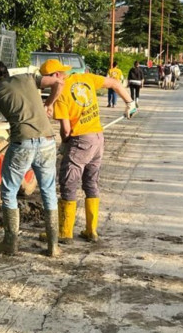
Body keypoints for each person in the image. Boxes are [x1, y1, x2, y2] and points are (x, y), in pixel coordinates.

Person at [0, 60, 64, 257]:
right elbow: (59, 83)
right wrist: (48, 105)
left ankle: (10, 244)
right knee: (48, 191)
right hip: (48, 141)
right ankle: (53, 247)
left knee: (9, 193)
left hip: (22, 144)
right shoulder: (29, 77)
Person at [45, 59, 136, 243]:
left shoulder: (60, 93)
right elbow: (115, 83)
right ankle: (91, 231)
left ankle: (65, 232)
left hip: (80, 141)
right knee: (91, 182)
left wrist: (64, 143)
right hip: (97, 138)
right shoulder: (85, 78)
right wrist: (130, 102)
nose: (44, 81)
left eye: (45, 78)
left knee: (68, 184)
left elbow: (66, 129)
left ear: (55, 76)